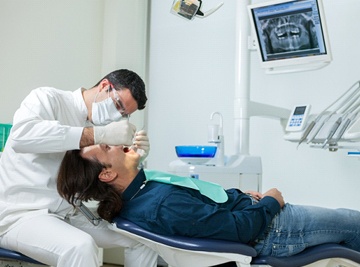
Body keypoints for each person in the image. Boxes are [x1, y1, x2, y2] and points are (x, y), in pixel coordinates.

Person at [57, 143, 360, 262]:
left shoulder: (141, 196)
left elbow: (203, 211)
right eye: (108, 148)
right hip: (275, 228)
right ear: (107, 173)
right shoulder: (161, 204)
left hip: (258, 216)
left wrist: (238, 197)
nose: (118, 144)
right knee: (353, 222)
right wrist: (269, 200)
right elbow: (240, 231)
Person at [0, 69, 158, 267]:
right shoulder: (48, 99)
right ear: (104, 86)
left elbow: (104, 180)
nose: (117, 115)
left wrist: (133, 160)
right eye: (118, 105)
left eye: (124, 115)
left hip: (68, 213)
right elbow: (21, 137)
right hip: (22, 216)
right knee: (80, 246)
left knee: (143, 239)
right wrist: (98, 135)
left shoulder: (97, 127)